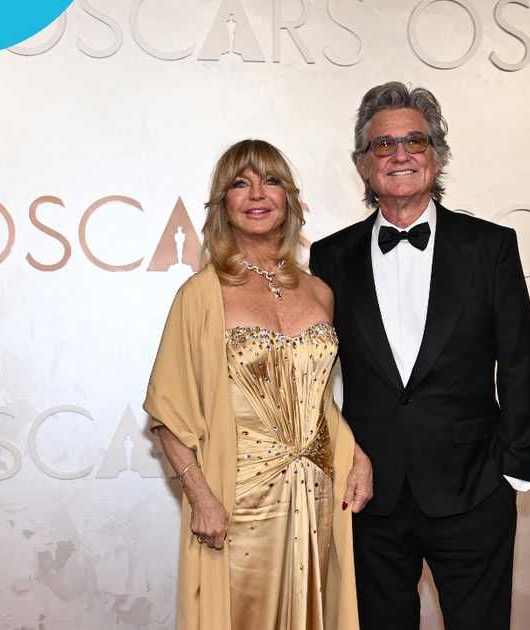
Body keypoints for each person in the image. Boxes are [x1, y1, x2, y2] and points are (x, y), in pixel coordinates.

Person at [308, 82, 530, 630]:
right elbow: (312, 372)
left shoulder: (490, 247)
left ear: (436, 155)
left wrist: (515, 470)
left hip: (474, 489)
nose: (400, 156)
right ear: (364, 167)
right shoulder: (330, 256)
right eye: (383, 146)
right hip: (368, 493)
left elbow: (520, 361)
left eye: (414, 141)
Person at [144, 139, 373, 630]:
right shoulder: (200, 295)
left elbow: (318, 401)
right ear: (222, 203)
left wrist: (357, 454)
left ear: (288, 198)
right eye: (239, 183)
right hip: (238, 499)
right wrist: (201, 497)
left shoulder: (318, 291)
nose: (257, 193)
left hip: (317, 495)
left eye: (270, 180)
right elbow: (167, 414)